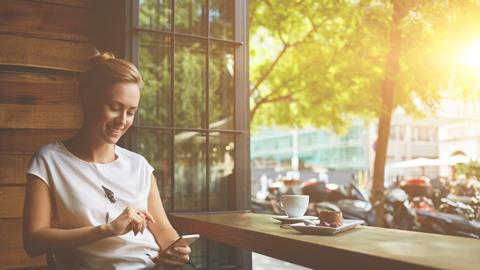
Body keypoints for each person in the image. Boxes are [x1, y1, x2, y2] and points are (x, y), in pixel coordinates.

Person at [23, 52, 194, 270]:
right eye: (114, 107)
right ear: (88, 99)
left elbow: (163, 230)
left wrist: (175, 248)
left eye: (131, 112)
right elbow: (33, 241)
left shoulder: (139, 165)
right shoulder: (50, 160)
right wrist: (108, 229)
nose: (122, 121)